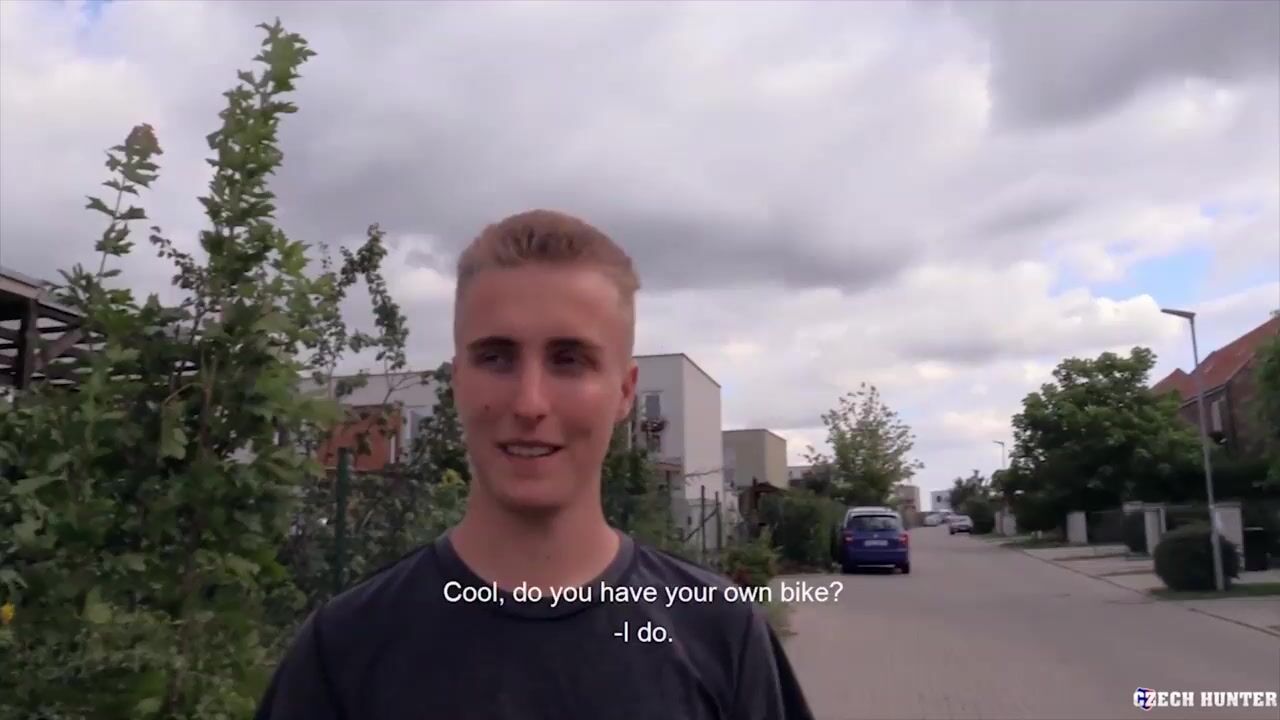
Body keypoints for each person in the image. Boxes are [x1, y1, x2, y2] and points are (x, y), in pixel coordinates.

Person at [254, 209, 814, 719]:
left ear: (624, 392)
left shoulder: (719, 634)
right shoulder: (346, 649)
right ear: (457, 382)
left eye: (569, 360)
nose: (529, 403)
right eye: (496, 358)